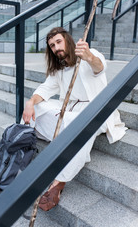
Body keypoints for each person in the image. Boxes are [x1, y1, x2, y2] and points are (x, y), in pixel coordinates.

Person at [22, 27, 127, 211]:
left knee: (78, 124)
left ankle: (59, 183)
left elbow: (99, 66)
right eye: (52, 45)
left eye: (58, 42)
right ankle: (18, 146)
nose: (56, 47)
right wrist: (30, 102)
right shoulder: (60, 69)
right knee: (37, 107)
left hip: (95, 110)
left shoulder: (88, 54)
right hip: (69, 110)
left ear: (67, 40)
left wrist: (88, 57)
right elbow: (45, 89)